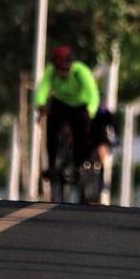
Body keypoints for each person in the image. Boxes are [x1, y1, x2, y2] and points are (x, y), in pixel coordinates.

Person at [34, 46, 100, 180]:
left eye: (64, 69)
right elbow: (43, 89)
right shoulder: (51, 71)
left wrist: (90, 111)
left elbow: (93, 94)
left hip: (80, 105)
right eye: (59, 69)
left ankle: (79, 165)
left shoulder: (81, 72)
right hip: (60, 103)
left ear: (70, 64)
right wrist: (40, 104)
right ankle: (52, 166)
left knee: (81, 134)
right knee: (51, 131)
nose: (62, 72)